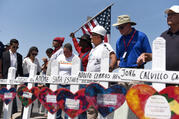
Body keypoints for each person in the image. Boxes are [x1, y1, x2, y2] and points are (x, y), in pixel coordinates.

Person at [86, 25, 117, 119]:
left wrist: (111, 67)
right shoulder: (92, 49)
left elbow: (113, 56)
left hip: (101, 83)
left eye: (93, 35)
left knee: (102, 108)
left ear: (99, 36)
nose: (90, 37)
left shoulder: (105, 45)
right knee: (91, 108)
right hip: (90, 82)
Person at [1, 39, 23, 116]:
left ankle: (12, 112)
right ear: (10, 46)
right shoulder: (4, 54)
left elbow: (20, 68)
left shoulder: (19, 56)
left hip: (15, 78)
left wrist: (21, 79)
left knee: (12, 94)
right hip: (5, 78)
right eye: (14, 47)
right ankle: (2, 112)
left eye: (17, 47)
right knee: (3, 95)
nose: (15, 48)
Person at [56, 43, 78, 119]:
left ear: (71, 51)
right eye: (64, 52)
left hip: (70, 85)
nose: (65, 53)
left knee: (68, 105)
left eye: (67, 52)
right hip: (59, 84)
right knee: (58, 103)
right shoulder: (59, 57)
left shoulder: (75, 58)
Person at [161, 5, 179, 71]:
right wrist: (148, 56)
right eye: (168, 15)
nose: (169, 17)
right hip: (165, 78)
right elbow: (159, 55)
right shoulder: (163, 36)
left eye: (172, 14)